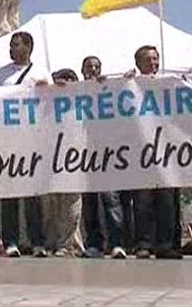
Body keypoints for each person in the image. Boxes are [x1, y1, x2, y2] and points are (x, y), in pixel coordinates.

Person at [0, 31, 49, 258]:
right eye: (11, 45)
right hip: (8, 139)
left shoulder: (40, 72)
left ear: (28, 48)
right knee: (10, 194)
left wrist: (50, 88)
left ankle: (37, 242)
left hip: (32, 140)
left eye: (16, 45)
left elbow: (52, 101)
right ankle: (11, 240)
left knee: (33, 195)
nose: (11, 49)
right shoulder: (0, 74)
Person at [127, 46, 183, 260]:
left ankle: (165, 244)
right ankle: (143, 243)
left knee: (167, 202)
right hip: (140, 153)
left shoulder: (168, 85)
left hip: (167, 153)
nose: (153, 63)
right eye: (148, 59)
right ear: (138, 63)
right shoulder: (130, 85)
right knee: (142, 202)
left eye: (156, 59)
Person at [80, 56, 127, 259]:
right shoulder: (75, 91)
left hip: (107, 154)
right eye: (89, 67)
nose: (93, 69)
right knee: (89, 201)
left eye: (97, 66)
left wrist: (125, 81)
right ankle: (94, 244)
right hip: (83, 155)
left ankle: (116, 243)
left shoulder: (108, 89)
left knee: (111, 199)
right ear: (82, 70)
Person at [43, 68, 84, 257]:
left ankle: (66, 244)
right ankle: (56, 241)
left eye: (69, 79)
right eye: (61, 80)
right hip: (50, 158)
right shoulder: (46, 105)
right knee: (53, 204)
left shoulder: (82, 102)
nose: (65, 83)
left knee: (72, 203)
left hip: (75, 159)